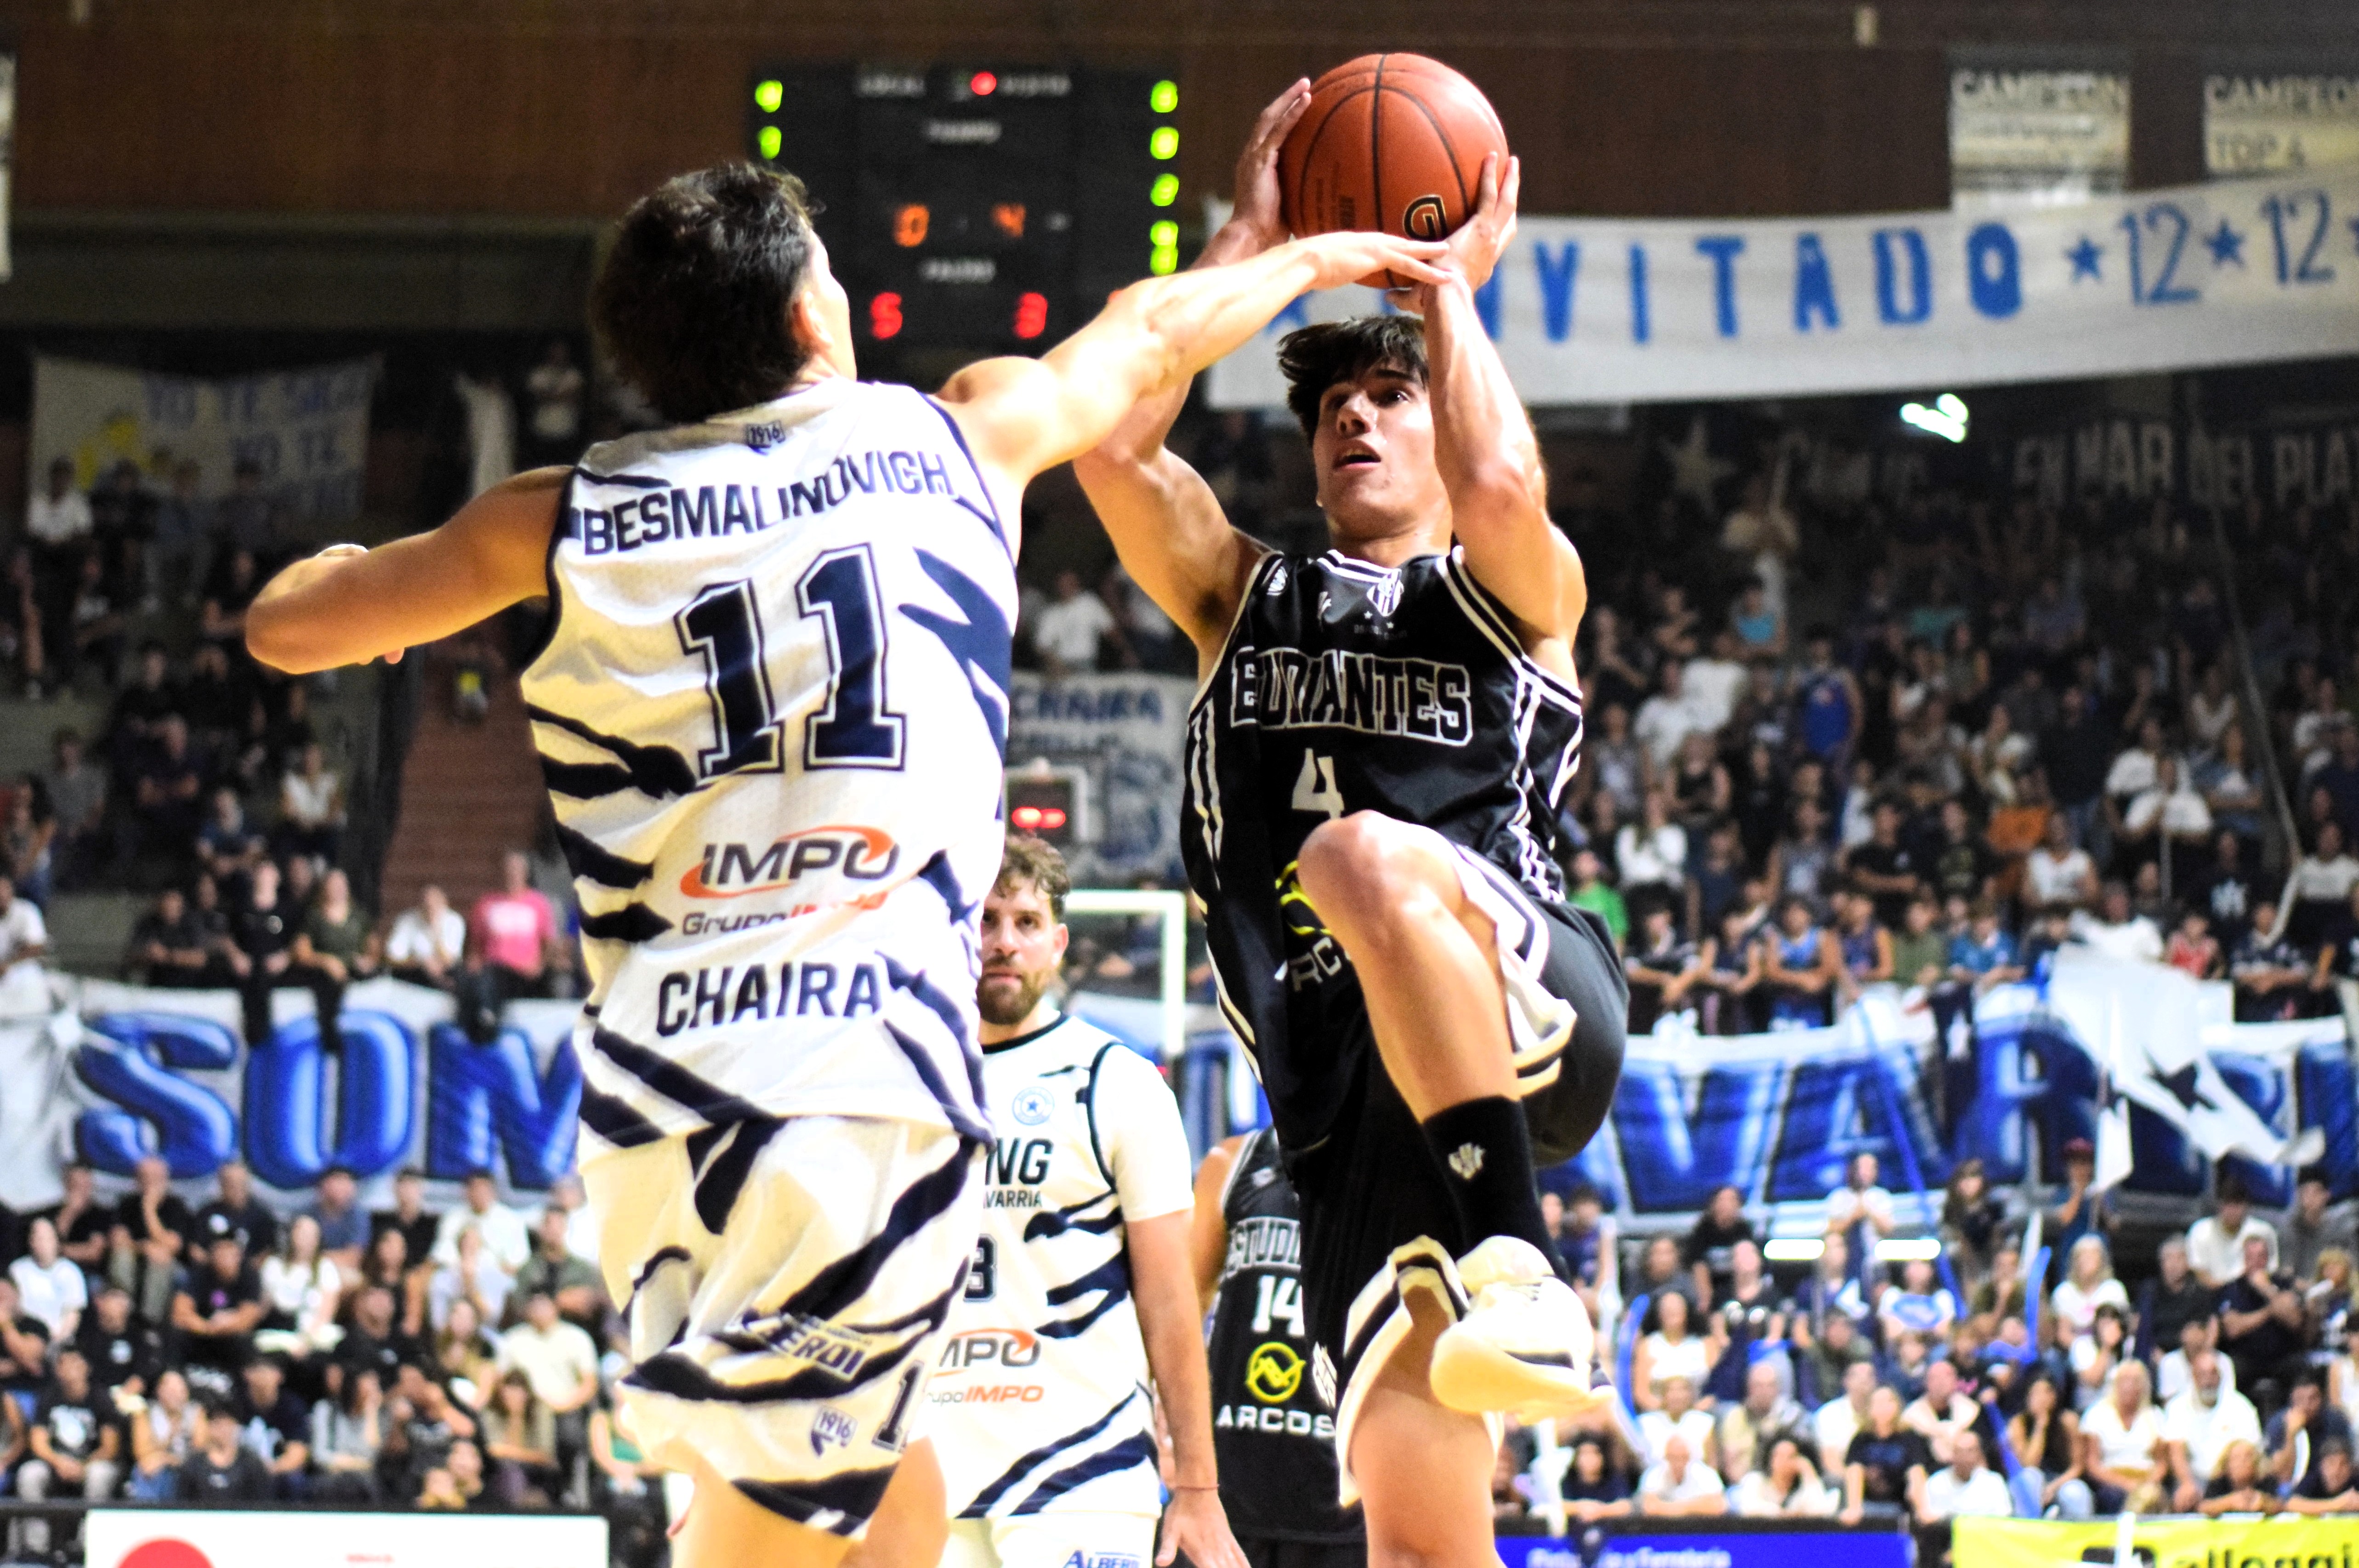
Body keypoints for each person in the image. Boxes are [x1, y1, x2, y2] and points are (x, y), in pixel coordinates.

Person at [254, 160, 1436, 1568]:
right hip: (863, 1088)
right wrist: (1301, 250)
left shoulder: (552, 516)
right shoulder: (951, 438)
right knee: (792, 1528)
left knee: (887, 1498)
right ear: (817, 309)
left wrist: (359, 577)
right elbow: (1154, 332)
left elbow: (284, 627)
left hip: (659, 1109)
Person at [1071, 89, 1624, 1568]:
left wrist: (1442, 290)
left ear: (1440, 418)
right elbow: (1113, 454)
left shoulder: (1509, 596)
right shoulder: (1239, 593)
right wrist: (1252, 240)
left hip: (1525, 1001)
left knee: (1356, 856)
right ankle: (1487, 1264)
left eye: (1386, 400)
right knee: (1414, 1525)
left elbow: (1505, 480)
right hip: (1338, 1104)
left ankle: (1517, 1249)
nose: (1351, 421)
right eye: (1327, 408)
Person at [933, 840, 1243, 1568]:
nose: (1005, 942)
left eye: (1026, 922)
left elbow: (1170, 1299)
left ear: (1059, 942)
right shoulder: (911, 1080)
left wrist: (1197, 1485)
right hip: (929, 1471)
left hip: (1083, 1470)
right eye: (986, 921)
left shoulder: (1119, 1082)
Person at [1193, 1124, 1365, 1568]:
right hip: (1226, 1495)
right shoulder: (1234, 1161)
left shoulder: (1395, 1172)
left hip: (1344, 1501)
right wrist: (1171, 1431)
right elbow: (1183, 1303)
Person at [17, 1346, 122, 1554]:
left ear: (86, 1368)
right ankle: (37, 1548)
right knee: (29, 1474)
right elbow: (38, 1442)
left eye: (76, 1363)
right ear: (58, 1370)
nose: (71, 1370)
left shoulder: (102, 1398)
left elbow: (110, 1447)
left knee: (100, 1474)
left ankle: (86, 1545)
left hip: (90, 1463)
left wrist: (82, 1465)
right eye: (65, 1364)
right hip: (55, 1463)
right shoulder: (49, 1396)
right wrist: (59, 1463)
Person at [2163, 1348, 2261, 1504]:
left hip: (2229, 1481)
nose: (2208, 1380)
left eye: (2213, 1374)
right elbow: (2176, 1451)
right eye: (2202, 1374)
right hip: (2195, 1481)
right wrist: (2187, 1484)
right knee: (2183, 1496)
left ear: (2221, 1377)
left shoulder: (2241, 1406)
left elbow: (2250, 1451)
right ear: (2193, 1377)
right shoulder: (2177, 1407)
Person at [2217, 1232, 2307, 1399]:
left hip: (2282, 1356)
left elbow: (2295, 1321)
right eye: (2250, 1257)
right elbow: (2233, 1328)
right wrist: (2270, 1311)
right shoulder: (2233, 1288)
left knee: (2302, 1369)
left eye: (2260, 1256)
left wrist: (2268, 1290)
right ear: (2244, 1259)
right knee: (2232, 1369)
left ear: (2267, 1259)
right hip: (2246, 1358)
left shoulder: (2282, 1283)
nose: (2256, 1262)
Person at [2080, 1361, 2175, 1514]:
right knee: (2113, 1498)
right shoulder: (2097, 1414)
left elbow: (2162, 1463)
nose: (2130, 1386)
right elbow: (2093, 1464)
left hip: (2146, 1479)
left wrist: (2147, 1483)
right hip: (2111, 1482)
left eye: (2136, 1381)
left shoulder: (2155, 1415)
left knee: (2156, 1498)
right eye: (2125, 1380)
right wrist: (2125, 1483)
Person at [2007, 1373, 2092, 1518]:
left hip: (2062, 1479)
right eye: (2036, 1393)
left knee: (2076, 1493)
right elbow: (2028, 1464)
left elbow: (2078, 1466)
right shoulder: (2019, 1424)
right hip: (2034, 1477)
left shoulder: (2068, 1421)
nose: (2041, 1398)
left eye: (2047, 1392)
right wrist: (2041, 1427)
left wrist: (2054, 1486)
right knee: (2030, 1479)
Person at [1842, 1385, 1930, 1523]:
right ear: (1869, 1409)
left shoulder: (1909, 1436)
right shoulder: (1861, 1438)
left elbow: (1916, 1470)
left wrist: (1922, 1509)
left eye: (1889, 1401)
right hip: (1867, 1504)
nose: (1883, 1407)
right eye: (1878, 1403)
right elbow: (1854, 1470)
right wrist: (1854, 1508)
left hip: (1900, 1504)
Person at [176, 1398, 275, 1504]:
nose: (223, 1430)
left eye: (228, 1424)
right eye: (217, 1424)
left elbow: (263, 1501)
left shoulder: (251, 1464)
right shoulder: (194, 1465)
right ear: (209, 1427)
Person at [2188, 1176, 2280, 1288]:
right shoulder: (2200, 1231)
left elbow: (2270, 1270)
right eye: (2227, 1203)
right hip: (2211, 1296)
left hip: (2252, 1293)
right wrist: (2229, 1289)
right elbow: (2201, 1275)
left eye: (2237, 1204)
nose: (2232, 1210)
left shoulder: (2264, 1231)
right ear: (2219, 1205)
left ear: (2247, 1206)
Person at [11, 1215, 87, 1341]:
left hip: (60, 1340)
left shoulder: (70, 1271)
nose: (43, 1244)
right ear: (31, 1241)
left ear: (57, 1241)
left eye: (48, 1238)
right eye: (38, 1238)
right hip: (27, 1338)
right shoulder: (17, 1270)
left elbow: (73, 1313)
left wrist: (58, 1340)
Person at [384, 884, 467, 989]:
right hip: (415, 971)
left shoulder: (454, 921)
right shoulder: (407, 921)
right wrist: (422, 962)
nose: (430, 908)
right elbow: (393, 956)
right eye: (426, 904)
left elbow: (450, 960)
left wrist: (435, 932)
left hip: (445, 972)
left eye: (435, 904)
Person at [1732, 1435, 1833, 1517]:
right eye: (1778, 1455)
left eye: (1790, 1457)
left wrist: (1808, 1473)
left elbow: (1821, 1510)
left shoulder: (1802, 1489)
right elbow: (1749, 1507)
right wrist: (1780, 1513)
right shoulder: (1756, 1480)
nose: (1783, 1461)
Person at [1637, 1432, 1726, 1517]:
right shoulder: (1654, 1475)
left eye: (1682, 1457)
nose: (1678, 1463)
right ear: (1666, 1457)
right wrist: (1698, 1505)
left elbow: (1718, 1506)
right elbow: (1649, 1507)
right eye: (1673, 1457)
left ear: (1689, 1457)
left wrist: (1671, 1508)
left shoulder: (1705, 1474)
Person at [2200, 1438, 2277, 1515]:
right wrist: (2228, 1503)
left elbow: (2281, 1505)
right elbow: (2203, 1508)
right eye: (2236, 1458)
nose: (2242, 1462)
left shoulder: (2265, 1480)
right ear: (2226, 1464)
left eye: (2247, 1457)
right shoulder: (2219, 1481)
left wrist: (2265, 1504)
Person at [2285, 1439, 2359, 1514]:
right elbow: (2292, 1504)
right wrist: (2336, 1505)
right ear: (2322, 1466)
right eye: (2331, 1463)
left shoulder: (2355, 1480)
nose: (2337, 1471)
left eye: (2343, 1464)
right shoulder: (2313, 1480)